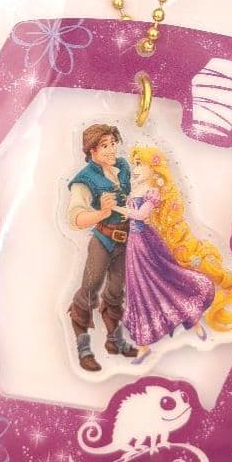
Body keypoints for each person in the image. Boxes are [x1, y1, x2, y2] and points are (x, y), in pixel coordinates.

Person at [115, 146, 232, 363]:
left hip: (146, 241)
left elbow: (141, 215)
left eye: (139, 164)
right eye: (134, 163)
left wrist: (116, 208)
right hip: (133, 244)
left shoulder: (152, 191)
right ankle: (144, 345)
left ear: (153, 167)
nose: (135, 168)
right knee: (138, 289)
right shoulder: (136, 188)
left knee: (167, 282)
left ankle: (194, 321)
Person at [67, 124, 138, 371]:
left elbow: (135, 194)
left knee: (117, 290)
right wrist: (102, 213)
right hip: (103, 239)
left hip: (126, 239)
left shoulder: (123, 167)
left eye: (113, 143)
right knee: (90, 287)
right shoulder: (85, 179)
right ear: (92, 150)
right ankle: (84, 349)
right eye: (105, 145)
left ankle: (114, 340)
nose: (111, 149)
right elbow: (75, 219)